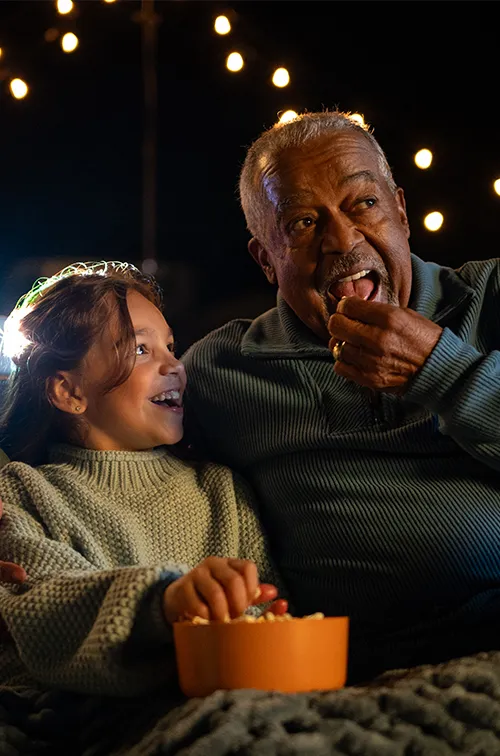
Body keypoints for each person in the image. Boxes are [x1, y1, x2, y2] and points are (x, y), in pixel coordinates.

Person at [181, 110, 500, 683]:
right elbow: (77, 430)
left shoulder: (491, 297)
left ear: (400, 210)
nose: (343, 241)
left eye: (363, 204)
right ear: (265, 259)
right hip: (360, 669)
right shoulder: (222, 370)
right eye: (303, 222)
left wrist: (445, 372)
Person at [0, 261, 285, 697]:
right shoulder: (24, 492)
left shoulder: (221, 491)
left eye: (172, 346)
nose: (175, 365)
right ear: (69, 391)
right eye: (140, 350)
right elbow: (43, 607)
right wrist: (164, 603)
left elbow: (264, 612)